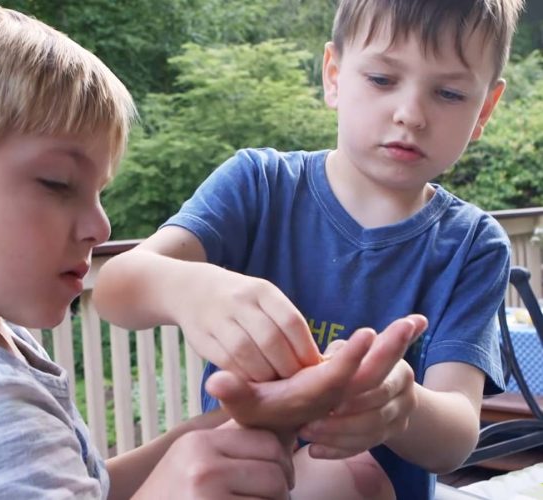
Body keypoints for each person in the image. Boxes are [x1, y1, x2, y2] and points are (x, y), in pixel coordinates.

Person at [0, 1, 430, 499]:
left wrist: (273, 420)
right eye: (57, 183)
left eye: (99, 192)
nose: (100, 224)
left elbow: (86, 483)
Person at [92, 1, 524, 498]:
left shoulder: (473, 244)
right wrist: (188, 288)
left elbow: (455, 437)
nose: (411, 114)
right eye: (383, 79)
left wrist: (400, 405)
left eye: (449, 92)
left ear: (484, 110)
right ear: (334, 75)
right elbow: (114, 289)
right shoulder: (258, 185)